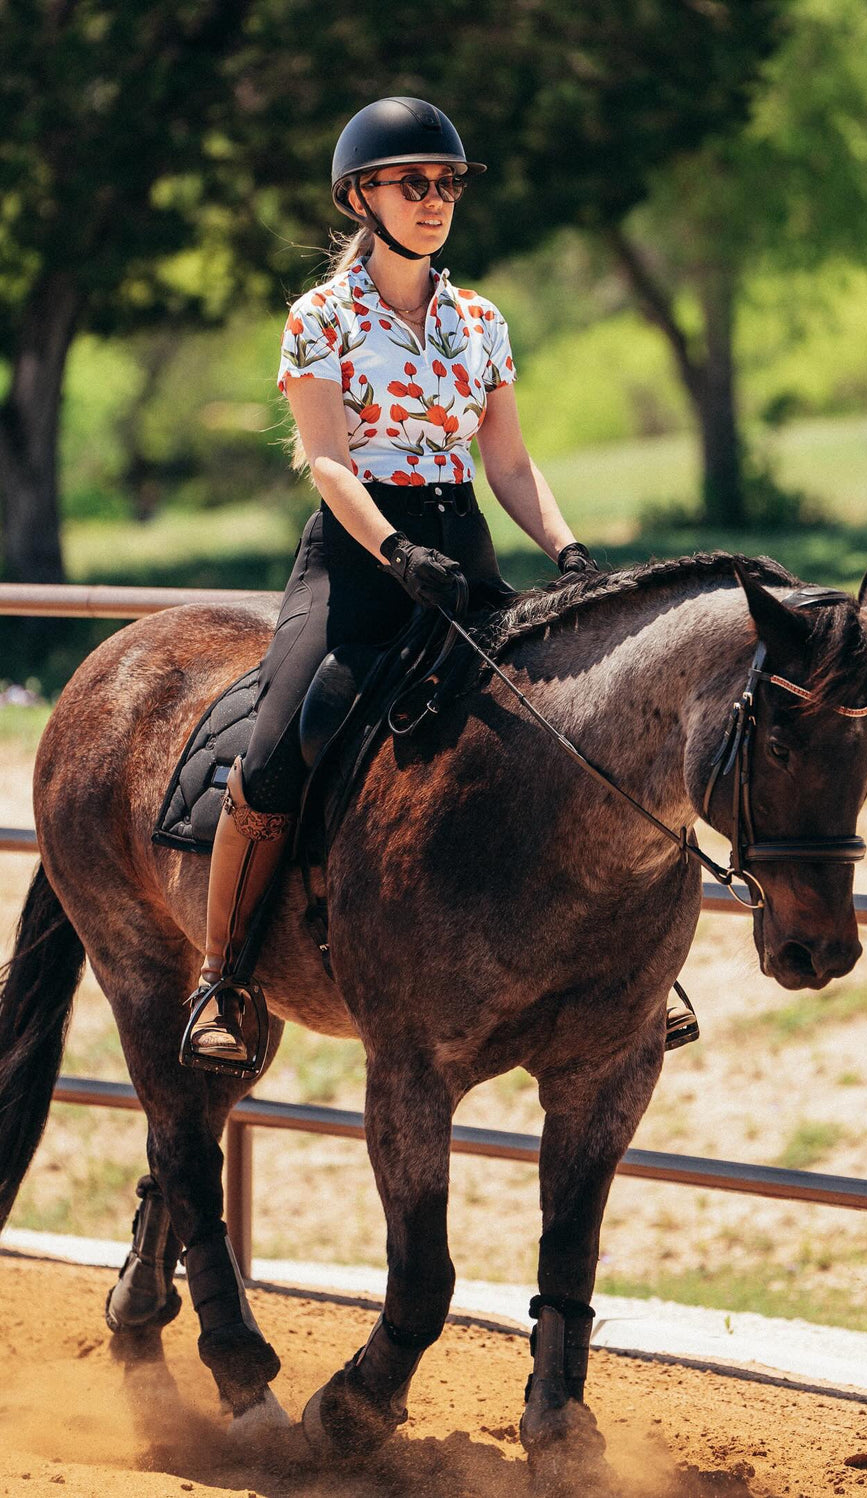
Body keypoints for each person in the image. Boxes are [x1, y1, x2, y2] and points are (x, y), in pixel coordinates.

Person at [184, 96, 598, 1067]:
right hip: (360, 555)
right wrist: (394, 550)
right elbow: (326, 460)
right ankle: (223, 976)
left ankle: (622, 962)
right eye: (413, 182)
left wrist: (568, 551)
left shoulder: (481, 322)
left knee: (572, 725)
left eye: (446, 183)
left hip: (463, 548)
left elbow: (509, 466)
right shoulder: (320, 319)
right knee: (283, 737)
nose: (434, 199)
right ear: (361, 195)